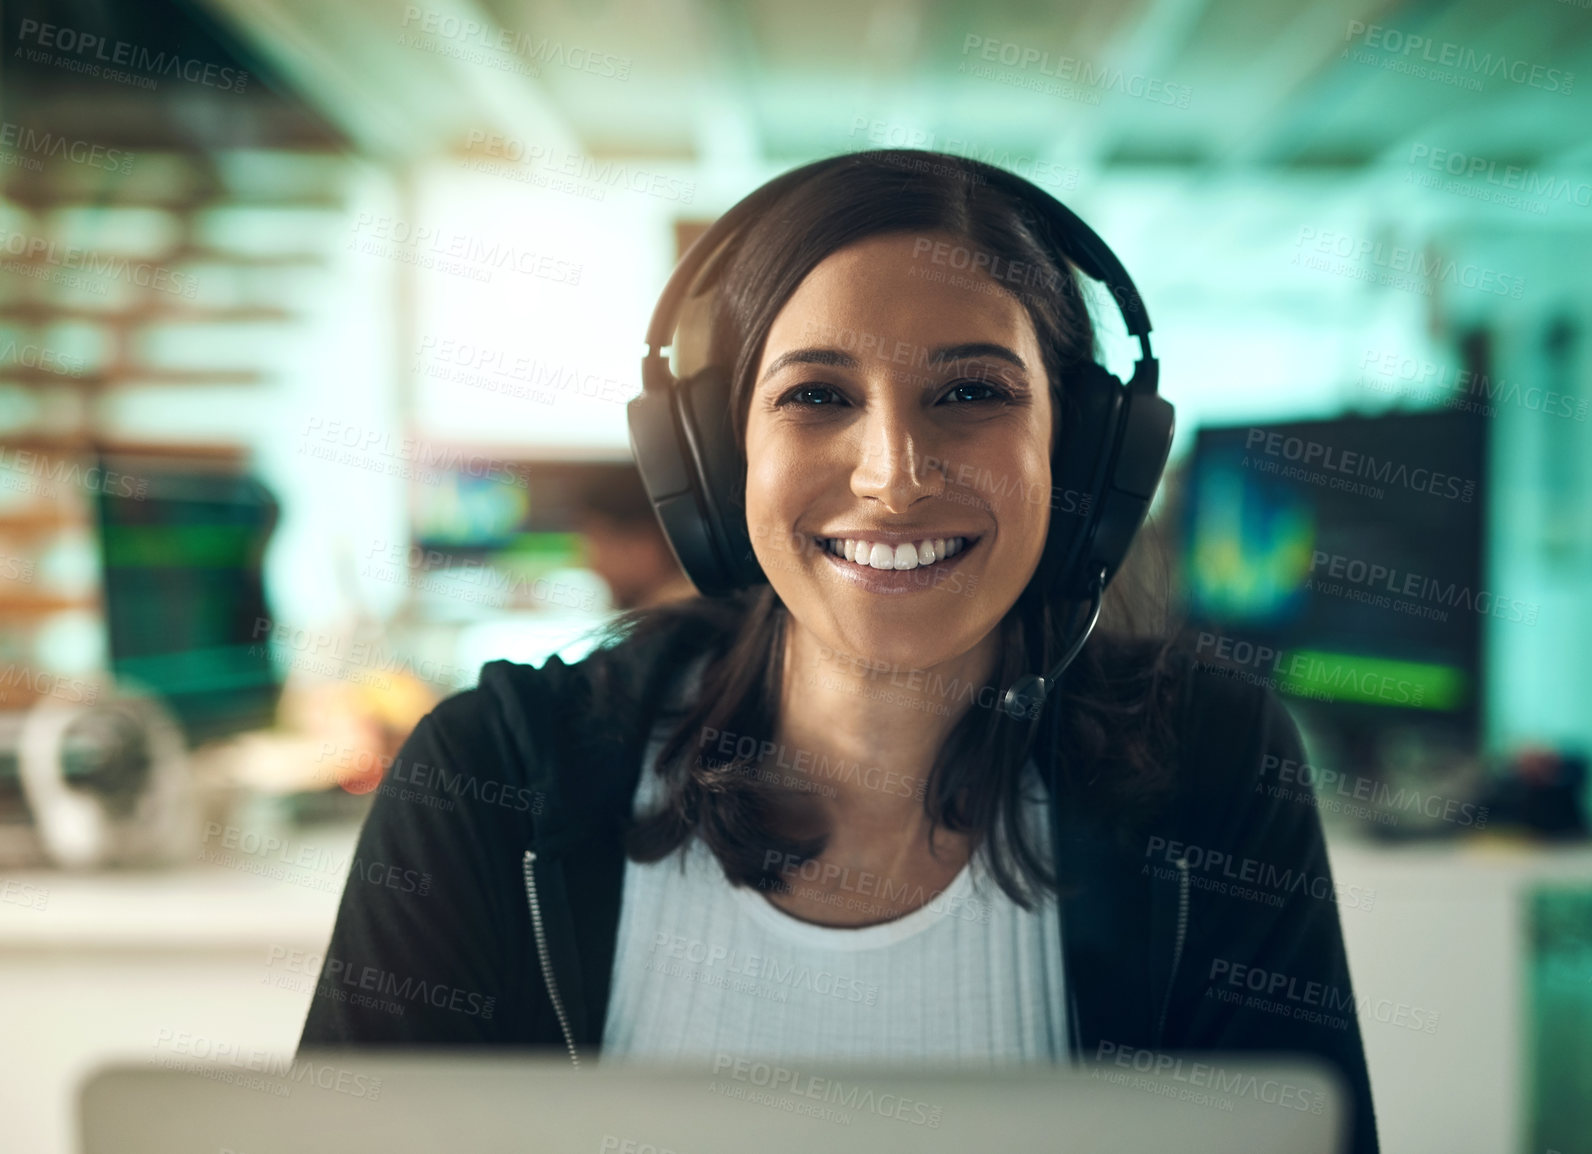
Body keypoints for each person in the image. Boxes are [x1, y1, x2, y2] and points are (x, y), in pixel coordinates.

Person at [300, 149, 1380, 1154]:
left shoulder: (1213, 767)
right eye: (816, 395)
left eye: (970, 391)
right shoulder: (490, 777)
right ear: (719, 462)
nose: (893, 475)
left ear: (1083, 455)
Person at [570, 464, 697, 612]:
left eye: (596, 542)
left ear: (643, 545)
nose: (593, 567)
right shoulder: (707, 607)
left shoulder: (677, 619)